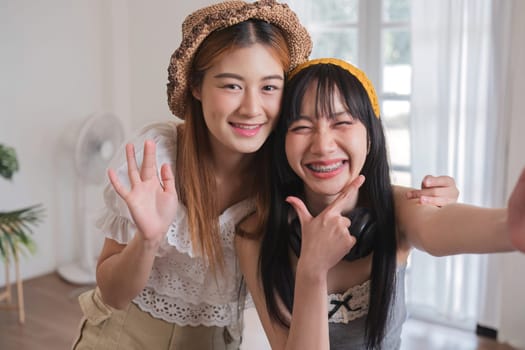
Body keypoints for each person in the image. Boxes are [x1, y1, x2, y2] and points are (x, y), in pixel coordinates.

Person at [71, 1, 457, 348]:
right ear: (197, 87)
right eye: (232, 86)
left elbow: (358, 188)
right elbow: (114, 294)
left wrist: (431, 202)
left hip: (217, 341)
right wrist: (149, 240)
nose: (252, 108)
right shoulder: (156, 158)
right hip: (124, 338)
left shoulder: (285, 163)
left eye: (269, 87)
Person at [235, 58, 525, 350]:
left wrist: (509, 226)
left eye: (342, 122)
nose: (322, 146)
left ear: (371, 136)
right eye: (301, 127)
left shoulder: (394, 206)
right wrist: (312, 271)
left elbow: (435, 228)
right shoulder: (254, 236)